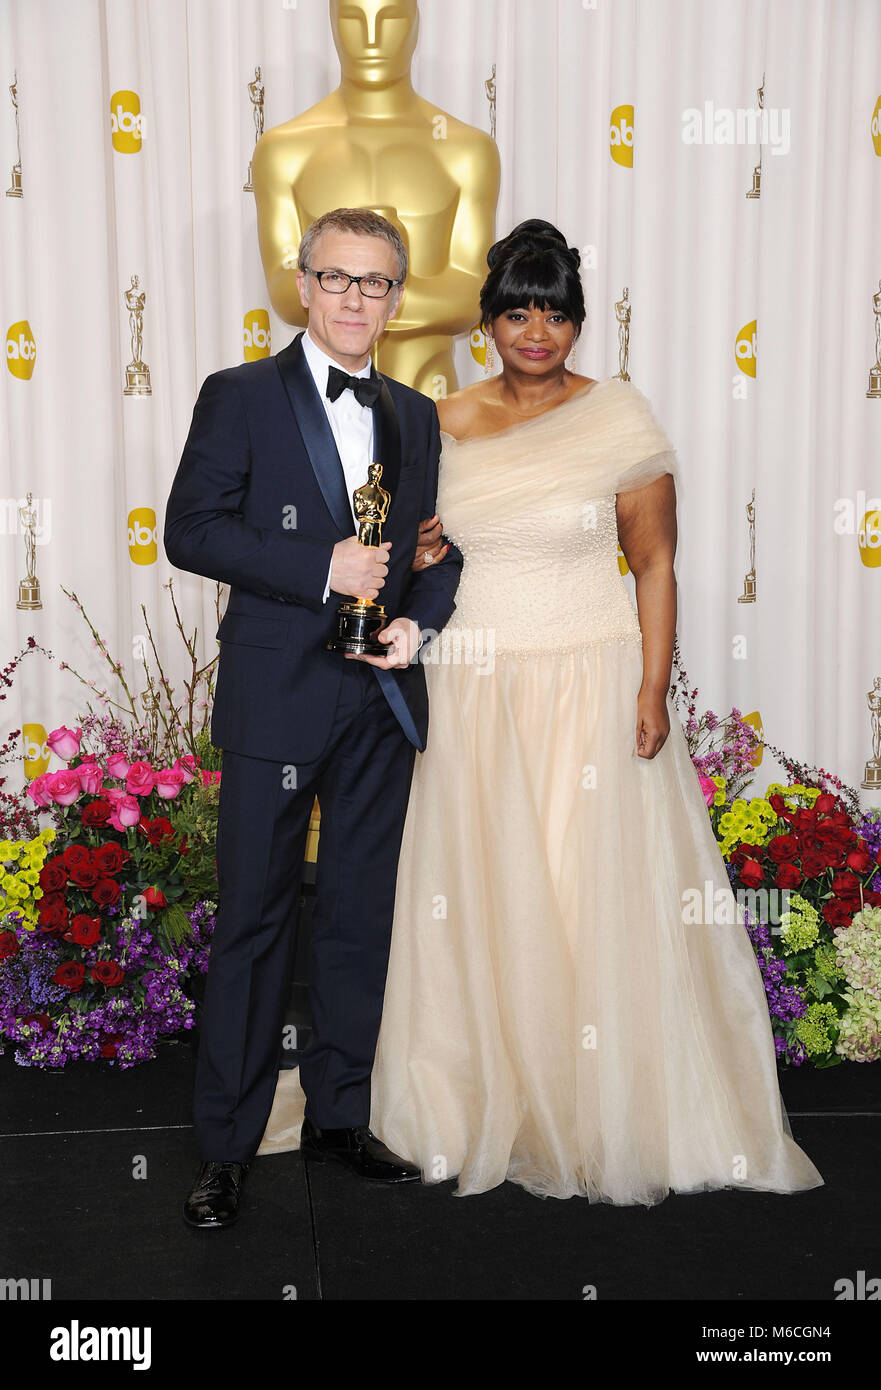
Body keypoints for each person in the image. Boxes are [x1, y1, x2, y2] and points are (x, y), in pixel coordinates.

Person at [259, 220, 824, 1206]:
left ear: (575, 322)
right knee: (480, 889)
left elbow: (653, 561)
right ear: (485, 324)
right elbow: (419, 550)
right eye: (515, 310)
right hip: (473, 683)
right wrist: (419, 552)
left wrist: (649, 688)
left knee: (578, 889)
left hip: (588, 680)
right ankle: (477, 1096)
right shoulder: (435, 419)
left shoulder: (617, 418)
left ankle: (604, 1101)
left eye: (553, 312)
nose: (534, 329)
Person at [164, 207, 463, 1228]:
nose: (352, 298)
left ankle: (339, 1115)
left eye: (374, 283)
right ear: (301, 284)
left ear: (394, 297)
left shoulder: (416, 415)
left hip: (377, 697)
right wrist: (316, 566)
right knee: (252, 921)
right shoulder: (239, 395)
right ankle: (227, 1148)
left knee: (355, 917)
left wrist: (419, 623)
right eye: (335, 278)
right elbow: (189, 529)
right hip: (276, 697)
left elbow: (434, 549)